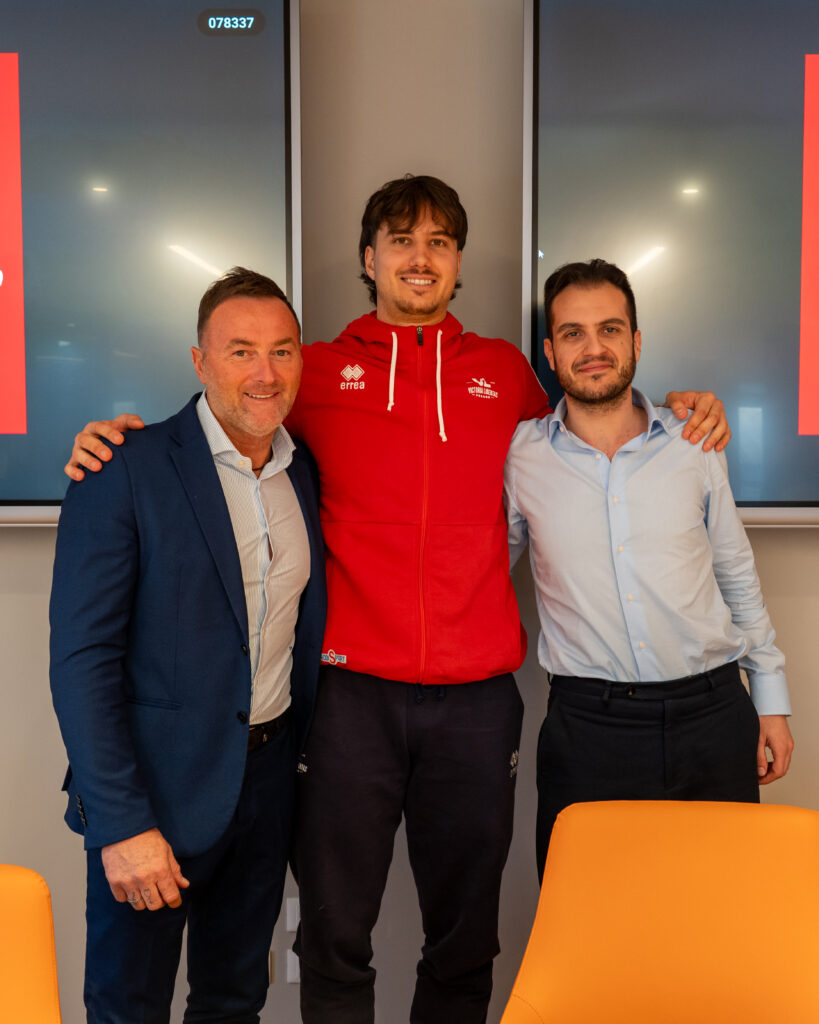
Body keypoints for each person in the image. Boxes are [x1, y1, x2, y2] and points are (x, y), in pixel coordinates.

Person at [63, 177, 730, 1024]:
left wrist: (677, 406)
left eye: (439, 241)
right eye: (401, 240)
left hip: (476, 700)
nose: (421, 257)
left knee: (465, 940)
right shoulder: (312, 369)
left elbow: (593, 411)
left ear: (457, 262)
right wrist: (115, 440)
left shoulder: (505, 373)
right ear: (368, 258)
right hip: (350, 700)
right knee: (333, 937)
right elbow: (227, 418)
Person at [50, 268, 326, 1023]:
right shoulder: (122, 467)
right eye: (240, 351)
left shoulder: (303, 472)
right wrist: (121, 822)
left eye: (282, 350)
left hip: (266, 785)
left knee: (235, 1001)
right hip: (154, 794)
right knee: (127, 1007)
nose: (265, 373)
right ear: (200, 362)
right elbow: (82, 662)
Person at [504, 258, 794, 879]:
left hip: (713, 716)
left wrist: (771, 699)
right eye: (573, 333)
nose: (593, 349)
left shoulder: (695, 440)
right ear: (551, 353)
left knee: (718, 911)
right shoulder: (519, 457)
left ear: (635, 342)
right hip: (588, 727)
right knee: (589, 914)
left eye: (609, 329)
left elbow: (737, 575)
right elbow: (478, 570)